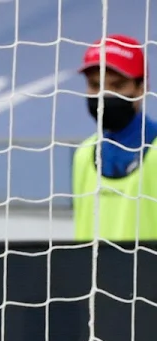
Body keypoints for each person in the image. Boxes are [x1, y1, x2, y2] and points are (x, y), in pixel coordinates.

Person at [73, 34, 157, 242]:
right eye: (95, 85)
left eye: (117, 86)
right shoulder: (84, 154)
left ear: (142, 88)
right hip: (92, 273)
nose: (104, 95)